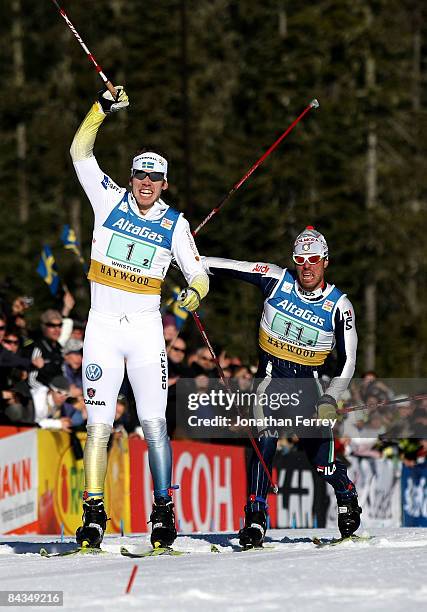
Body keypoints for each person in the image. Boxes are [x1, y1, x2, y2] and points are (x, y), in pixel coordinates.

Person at [69, 85, 209, 549]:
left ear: (165, 184)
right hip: (102, 331)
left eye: (155, 178)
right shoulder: (108, 199)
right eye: (140, 175)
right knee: (98, 424)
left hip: (147, 335)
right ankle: (93, 512)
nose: (146, 184)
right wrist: (101, 109)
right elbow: (79, 152)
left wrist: (192, 295)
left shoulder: (175, 224)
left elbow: (199, 274)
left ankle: (163, 510)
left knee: (152, 424)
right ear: (131, 177)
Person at [203, 227, 360, 547]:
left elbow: (348, 360)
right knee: (265, 438)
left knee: (322, 462)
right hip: (270, 380)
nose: (306, 266)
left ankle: (344, 490)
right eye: (300, 259)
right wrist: (184, 259)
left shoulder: (339, 306)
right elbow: (228, 265)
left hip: (310, 389)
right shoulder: (276, 279)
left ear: (325, 261)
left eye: (314, 259)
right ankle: (256, 515)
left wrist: (331, 397)